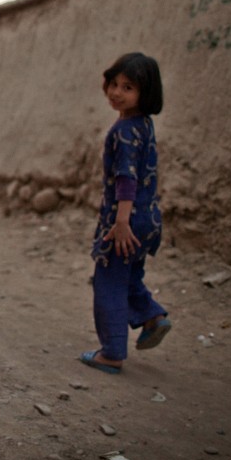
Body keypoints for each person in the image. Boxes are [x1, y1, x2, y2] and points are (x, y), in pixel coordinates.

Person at [80, 52, 172, 375]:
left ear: (145, 93)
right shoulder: (143, 124)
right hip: (148, 218)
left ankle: (111, 353)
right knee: (130, 275)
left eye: (128, 87)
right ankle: (152, 317)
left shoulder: (124, 131)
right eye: (114, 84)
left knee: (108, 283)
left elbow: (126, 178)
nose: (117, 92)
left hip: (125, 220)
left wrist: (120, 222)